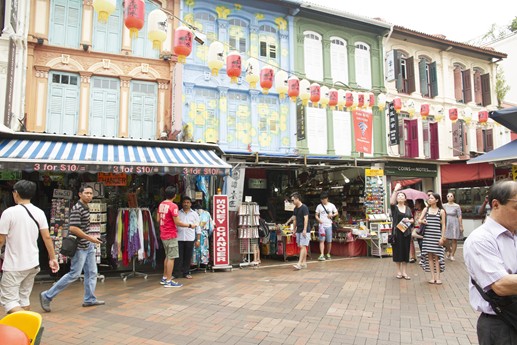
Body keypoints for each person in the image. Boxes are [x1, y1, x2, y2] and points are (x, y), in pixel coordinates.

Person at [464, 180, 517, 344]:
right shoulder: (480, 240)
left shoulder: (514, 233)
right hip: (501, 324)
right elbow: (500, 285)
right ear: (496, 204)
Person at [40, 185, 104, 312]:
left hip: (88, 246)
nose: (89, 195)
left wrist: (90, 240)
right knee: (74, 274)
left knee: (92, 272)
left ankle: (89, 298)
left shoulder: (86, 207)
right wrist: (90, 238)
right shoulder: (77, 208)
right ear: (80, 194)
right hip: (80, 247)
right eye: (86, 193)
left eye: (91, 193)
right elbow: (73, 228)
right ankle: (47, 295)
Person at [0, 180, 59, 314]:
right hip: (32, 263)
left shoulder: (9, 213)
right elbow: (47, 237)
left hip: (14, 265)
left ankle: (30, 322)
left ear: (16, 194)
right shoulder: (39, 212)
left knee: (9, 301)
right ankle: (25, 332)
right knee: (24, 299)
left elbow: (1, 239)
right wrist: (53, 258)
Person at [157, 186, 196, 288]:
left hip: (163, 234)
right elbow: (177, 222)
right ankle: (169, 281)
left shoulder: (161, 204)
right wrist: (190, 225)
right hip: (171, 234)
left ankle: (165, 277)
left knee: (167, 256)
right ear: (175, 195)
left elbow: (158, 219)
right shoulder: (173, 206)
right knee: (171, 258)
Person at [419, 192, 446, 285]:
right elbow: (419, 220)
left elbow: (443, 225)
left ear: (437, 200)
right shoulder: (426, 209)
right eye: (429, 198)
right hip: (427, 236)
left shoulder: (441, 211)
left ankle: (438, 277)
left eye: (431, 198)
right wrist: (423, 221)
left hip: (436, 236)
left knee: (437, 257)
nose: (429, 199)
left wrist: (442, 237)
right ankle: (432, 277)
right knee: (429, 257)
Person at [390, 183, 414, 280]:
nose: (400, 197)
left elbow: (412, 219)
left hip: (406, 233)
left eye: (402, 196)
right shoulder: (394, 208)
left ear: (405, 199)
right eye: (399, 196)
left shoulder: (408, 209)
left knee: (405, 251)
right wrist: (395, 190)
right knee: (397, 252)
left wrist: (410, 221)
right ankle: (398, 271)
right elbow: (391, 202)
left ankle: (404, 272)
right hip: (397, 233)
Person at [172, 196, 200, 280]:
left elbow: (198, 227)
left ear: (191, 204)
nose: (186, 204)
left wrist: (198, 239)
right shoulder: (178, 213)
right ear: (182, 203)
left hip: (190, 238)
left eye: (188, 202)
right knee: (178, 257)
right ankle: (176, 273)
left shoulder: (195, 214)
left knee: (188, 257)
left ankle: (186, 272)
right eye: (184, 202)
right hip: (179, 238)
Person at [285, 192, 309, 270]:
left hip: (304, 229)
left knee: (302, 246)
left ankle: (299, 263)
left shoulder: (304, 207)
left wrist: (305, 229)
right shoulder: (295, 209)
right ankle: (304, 263)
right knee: (301, 246)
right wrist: (294, 229)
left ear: (297, 199)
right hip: (299, 229)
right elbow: (294, 219)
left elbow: (306, 219)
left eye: (293, 200)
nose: (292, 202)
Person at [315, 192, 338, 261]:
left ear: (327, 199)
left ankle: (328, 253)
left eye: (324, 199)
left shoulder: (331, 205)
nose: (322, 201)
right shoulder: (319, 206)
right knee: (321, 240)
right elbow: (316, 215)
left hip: (329, 225)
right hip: (322, 226)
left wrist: (332, 215)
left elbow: (336, 212)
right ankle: (322, 254)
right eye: (321, 199)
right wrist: (319, 220)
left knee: (329, 241)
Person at [444, 192, 463, 261]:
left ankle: (452, 254)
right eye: (448, 196)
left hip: (454, 222)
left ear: (454, 197)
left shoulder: (457, 206)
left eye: (451, 196)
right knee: (445, 239)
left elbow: (459, 215)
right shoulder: (444, 205)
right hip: (447, 222)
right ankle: (449, 250)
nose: (449, 197)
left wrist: (461, 225)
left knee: (454, 239)